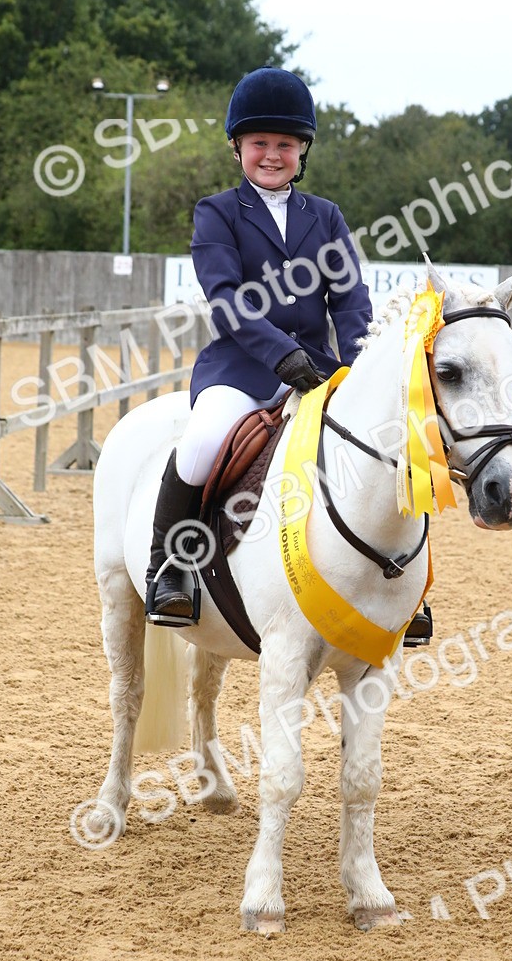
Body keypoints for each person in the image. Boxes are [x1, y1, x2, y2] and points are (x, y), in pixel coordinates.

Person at [144, 66, 433, 647]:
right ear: (238, 149)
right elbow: (226, 300)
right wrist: (282, 357)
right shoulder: (217, 213)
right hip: (241, 368)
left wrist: (357, 365)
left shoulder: (324, 216)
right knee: (202, 440)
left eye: (284, 144)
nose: (271, 155)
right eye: (259, 144)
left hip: (320, 372)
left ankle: (408, 589)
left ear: (302, 151)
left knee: (390, 441)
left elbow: (352, 303)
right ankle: (169, 568)